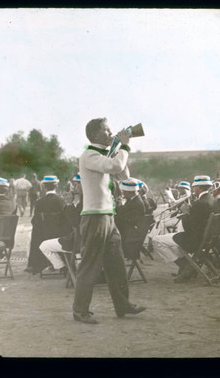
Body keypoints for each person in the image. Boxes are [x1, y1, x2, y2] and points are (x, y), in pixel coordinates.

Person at [72, 117, 146, 324]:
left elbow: (123, 174)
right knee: (89, 265)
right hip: (95, 216)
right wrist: (124, 146)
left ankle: (123, 305)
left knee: (116, 264)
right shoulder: (89, 155)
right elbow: (115, 166)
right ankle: (80, 310)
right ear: (95, 134)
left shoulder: (102, 155)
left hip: (107, 215)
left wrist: (118, 148)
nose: (110, 132)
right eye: (106, 130)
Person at [151, 175, 217, 283]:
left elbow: (189, 227)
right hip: (207, 240)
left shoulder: (199, 203)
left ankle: (185, 266)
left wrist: (186, 213)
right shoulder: (212, 200)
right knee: (170, 241)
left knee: (157, 240)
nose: (193, 190)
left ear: (198, 188)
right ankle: (187, 265)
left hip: (195, 240)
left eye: (194, 187)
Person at [26, 175, 71, 275]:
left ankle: (34, 264)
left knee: (31, 236)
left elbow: (35, 222)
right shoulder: (61, 201)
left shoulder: (39, 203)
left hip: (43, 235)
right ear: (57, 186)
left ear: (44, 187)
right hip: (59, 235)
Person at [39, 173, 83, 274]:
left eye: (77, 185)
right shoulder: (88, 201)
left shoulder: (81, 204)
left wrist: (69, 204)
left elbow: (74, 222)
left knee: (43, 245)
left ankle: (62, 268)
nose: (75, 188)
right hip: (86, 240)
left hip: (78, 242)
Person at [114, 178, 146, 260]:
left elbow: (124, 218)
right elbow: (123, 213)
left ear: (129, 192)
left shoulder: (136, 203)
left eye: (124, 191)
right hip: (128, 229)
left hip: (130, 233)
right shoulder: (132, 200)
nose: (123, 193)